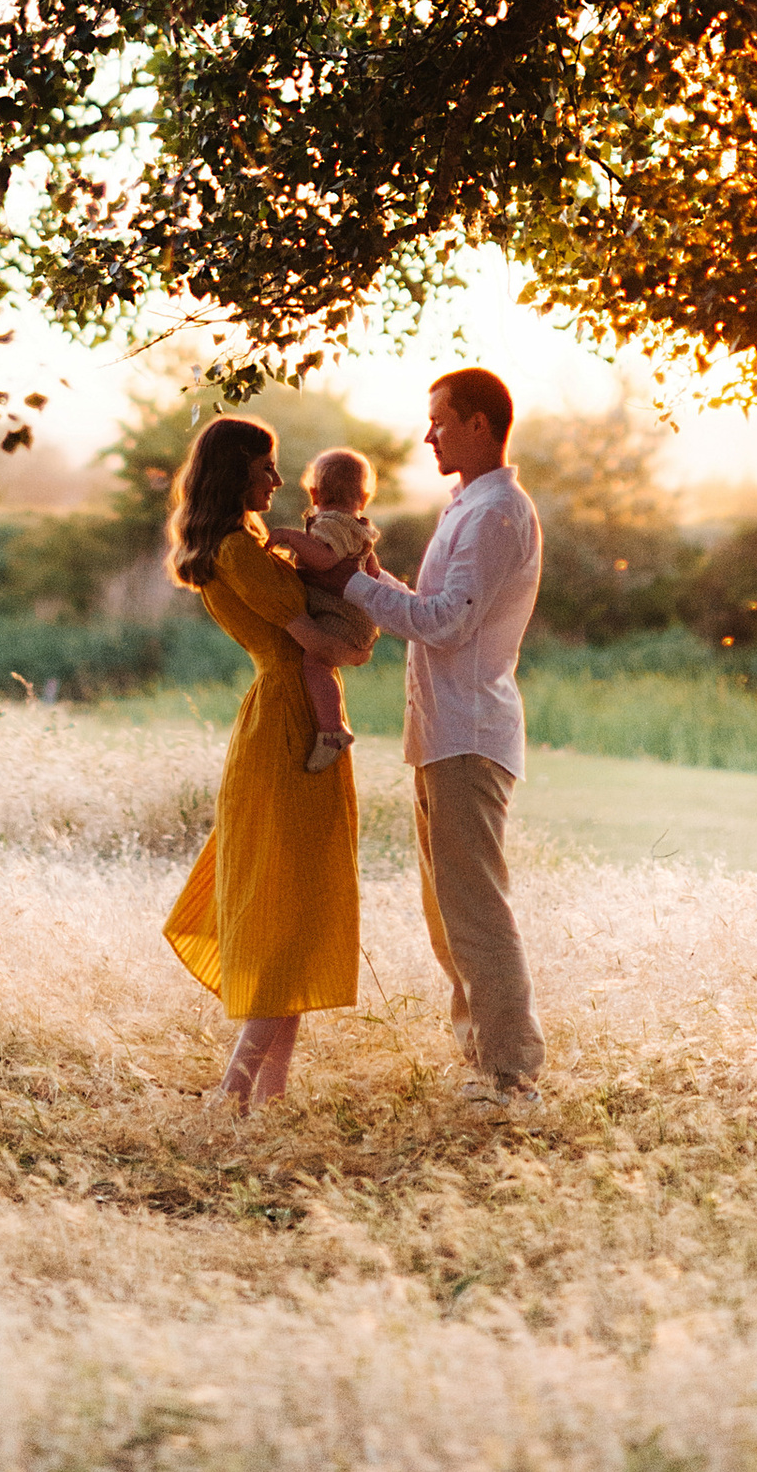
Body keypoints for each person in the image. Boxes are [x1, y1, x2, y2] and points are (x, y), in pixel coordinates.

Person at [342, 366, 547, 1109]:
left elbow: (448, 624)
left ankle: (511, 1074)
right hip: (441, 734)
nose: (427, 433)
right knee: (448, 914)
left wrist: (349, 587)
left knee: (474, 909)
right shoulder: (468, 507)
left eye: (440, 419)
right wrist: (368, 574)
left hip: (468, 734)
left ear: (482, 424)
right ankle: (486, 1063)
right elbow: (434, 606)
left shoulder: (496, 515)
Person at [160, 415, 373, 1108]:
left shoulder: (246, 543)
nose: (279, 482)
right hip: (288, 715)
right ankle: (234, 1087)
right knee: (286, 909)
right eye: (266, 468)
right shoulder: (239, 551)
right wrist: (362, 640)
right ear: (236, 474)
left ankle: (269, 1096)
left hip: (289, 709)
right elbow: (322, 641)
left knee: (300, 904)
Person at [266, 444, 384, 774]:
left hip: (343, 622)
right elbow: (372, 572)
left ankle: (332, 731)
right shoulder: (357, 526)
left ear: (315, 492)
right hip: (357, 621)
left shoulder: (329, 523)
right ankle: (332, 724)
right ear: (363, 497)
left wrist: (291, 537)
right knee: (322, 667)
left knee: (315, 663)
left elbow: (325, 558)